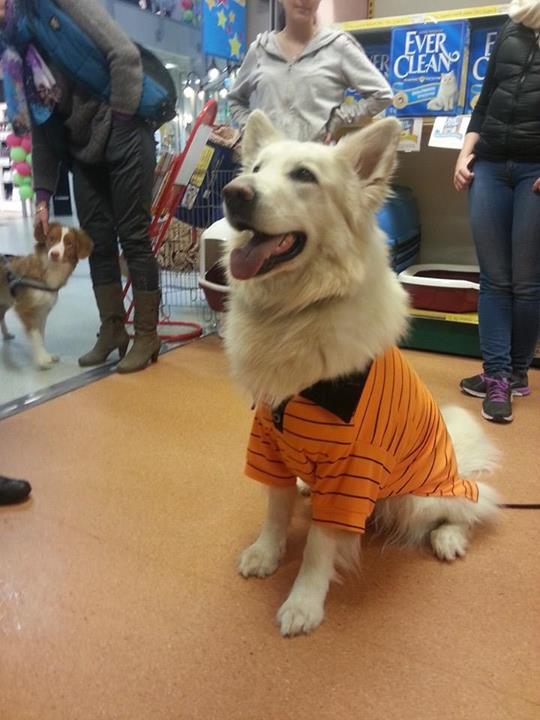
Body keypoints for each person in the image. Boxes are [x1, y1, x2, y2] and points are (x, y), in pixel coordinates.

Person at [0, 0, 167, 373]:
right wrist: (42, 198)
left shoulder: (58, 6)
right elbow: (43, 126)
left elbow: (125, 55)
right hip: (84, 152)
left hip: (124, 134)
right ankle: (113, 330)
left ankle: (146, 335)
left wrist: (119, 121)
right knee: (97, 243)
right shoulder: (15, 51)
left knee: (134, 238)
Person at [453, 0, 540, 424]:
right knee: (494, 278)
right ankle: (499, 376)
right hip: (488, 163)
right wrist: (464, 153)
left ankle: (516, 372)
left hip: (534, 170)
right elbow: (485, 100)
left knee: (526, 281)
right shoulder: (514, 25)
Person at [227, 0, 393, 143]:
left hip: (314, 163)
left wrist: (338, 118)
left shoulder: (338, 46)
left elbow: (382, 94)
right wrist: (251, 129)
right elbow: (235, 100)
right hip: (270, 163)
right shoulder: (260, 50)